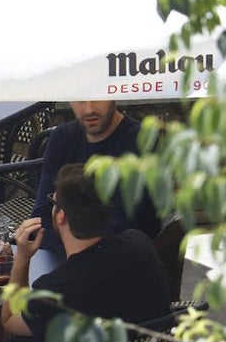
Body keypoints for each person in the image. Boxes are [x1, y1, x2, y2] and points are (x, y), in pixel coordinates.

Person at [2, 163, 171, 342]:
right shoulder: (139, 245)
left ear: (60, 215)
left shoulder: (57, 291)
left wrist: (22, 257)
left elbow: (9, 321)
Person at [32, 100, 161, 254]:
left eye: (97, 98)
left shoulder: (141, 141)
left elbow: (125, 224)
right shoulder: (62, 137)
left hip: (125, 258)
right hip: (65, 257)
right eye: (80, 99)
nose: (88, 110)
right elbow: (42, 214)